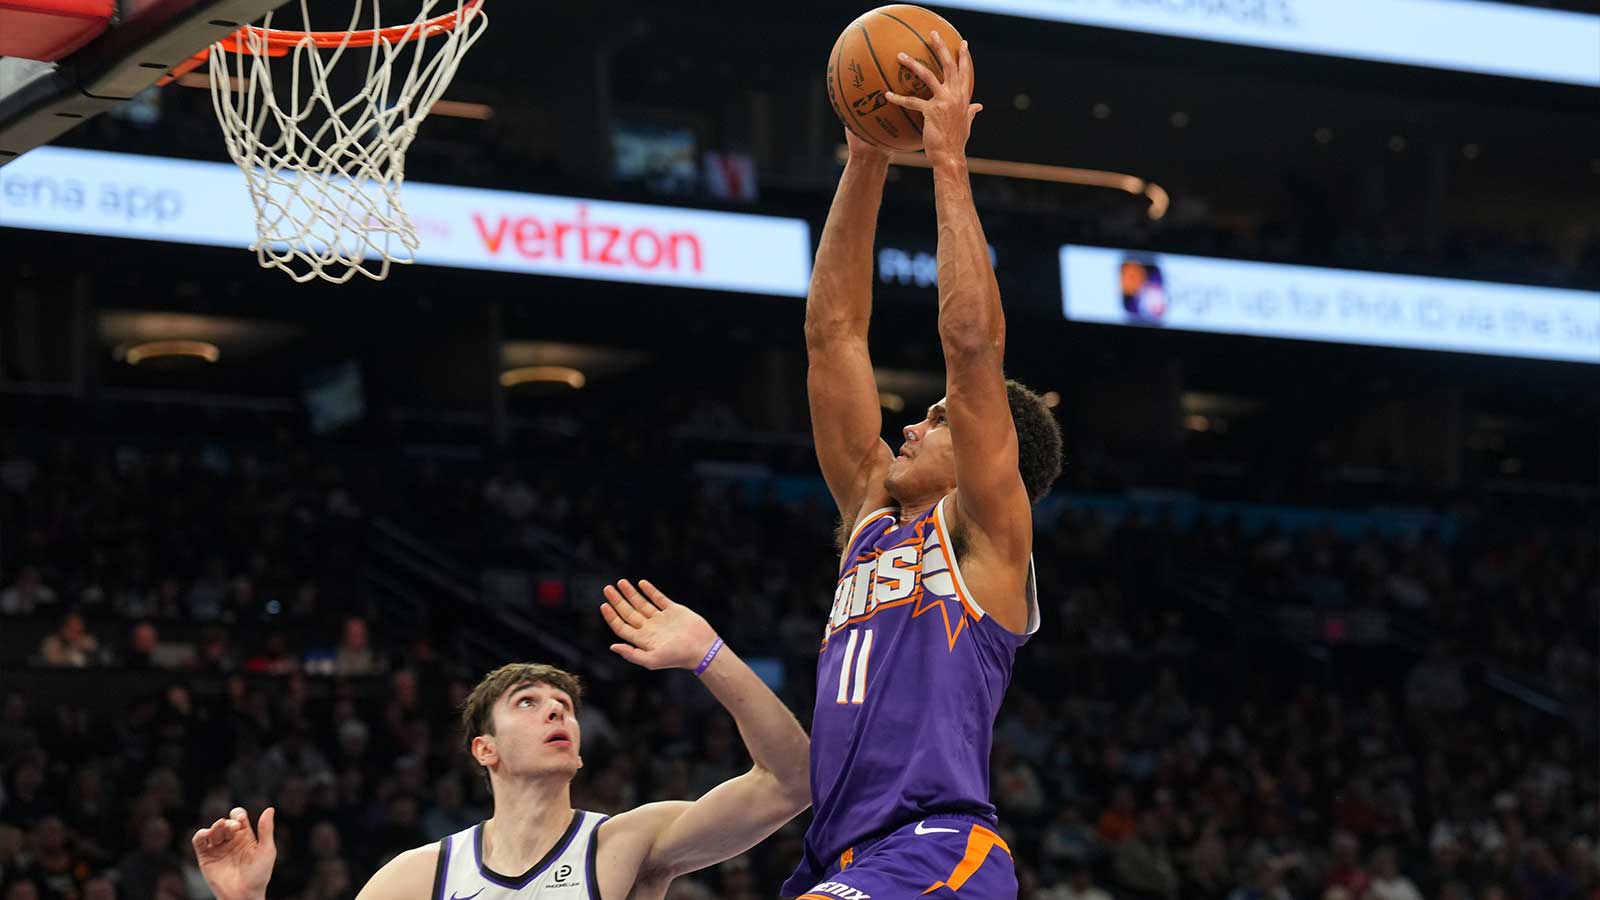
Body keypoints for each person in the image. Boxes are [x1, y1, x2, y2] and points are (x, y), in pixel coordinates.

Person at [785, 30, 1063, 900]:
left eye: (937, 420)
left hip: (936, 846)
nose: (911, 424)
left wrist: (946, 160)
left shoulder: (985, 538)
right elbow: (833, 334)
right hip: (841, 856)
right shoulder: (871, 514)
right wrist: (867, 157)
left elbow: (971, 347)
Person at [192, 580, 810, 900]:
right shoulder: (418, 877)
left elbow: (791, 783)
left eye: (563, 705)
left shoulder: (625, 844)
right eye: (528, 702)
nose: (556, 709)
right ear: (484, 749)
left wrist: (708, 654)